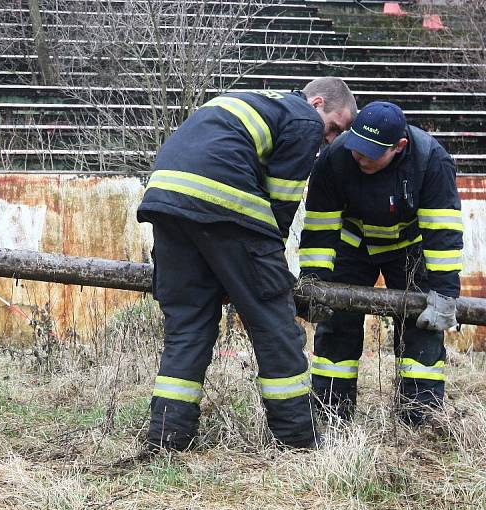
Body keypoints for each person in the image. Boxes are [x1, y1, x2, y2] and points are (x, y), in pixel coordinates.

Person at [137, 77, 358, 451]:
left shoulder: (254, 101)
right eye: (334, 127)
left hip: (166, 199)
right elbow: (281, 208)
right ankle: (298, 438)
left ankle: (167, 436)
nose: (331, 140)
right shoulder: (304, 118)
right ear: (317, 102)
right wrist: (263, 274)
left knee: (188, 323)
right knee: (274, 322)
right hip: (224, 201)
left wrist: (224, 272)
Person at [298, 101, 463, 425]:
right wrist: (314, 284)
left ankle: (421, 417)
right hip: (353, 243)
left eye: (371, 153)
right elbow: (319, 225)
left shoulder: (430, 161)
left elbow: (442, 231)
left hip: (408, 248)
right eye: (357, 148)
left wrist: (444, 292)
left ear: (399, 146)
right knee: (337, 323)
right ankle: (331, 413)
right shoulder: (335, 157)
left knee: (421, 327)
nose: (360, 158)